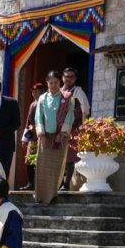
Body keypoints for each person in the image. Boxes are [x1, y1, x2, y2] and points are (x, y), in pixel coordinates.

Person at [34, 70, 75, 204]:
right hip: (45, 138)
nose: (53, 85)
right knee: (43, 168)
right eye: (50, 82)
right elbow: (38, 118)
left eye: (56, 82)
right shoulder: (42, 98)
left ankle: (52, 196)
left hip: (59, 139)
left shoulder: (67, 98)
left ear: (60, 82)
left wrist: (62, 134)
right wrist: (41, 134)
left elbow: (69, 117)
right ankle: (41, 197)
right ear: (47, 83)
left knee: (56, 168)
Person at [61, 67, 91, 191]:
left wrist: (73, 126)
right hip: (56, 130)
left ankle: (66, 184)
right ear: (62, 77)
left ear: (75, 79)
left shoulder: (78, 92)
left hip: (72, 130)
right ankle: (56, 183)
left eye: (71, 76)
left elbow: (83, 111)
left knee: (70, 159)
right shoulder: (56, 91)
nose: (68, 79)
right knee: (57, 158)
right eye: (66, 76)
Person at [19, 82, 45, 190]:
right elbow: (28, 121)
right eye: (33, 92)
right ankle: (30, 183)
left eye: (36, 92)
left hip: (44, 136)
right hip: (33, 137)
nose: (34, 94)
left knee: (43, 161)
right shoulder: (33, 104)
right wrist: (25, 138)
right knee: (30, 160)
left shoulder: (46, 103)